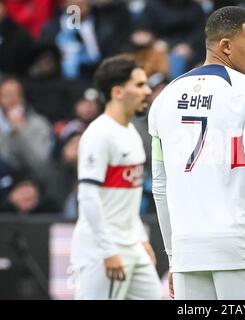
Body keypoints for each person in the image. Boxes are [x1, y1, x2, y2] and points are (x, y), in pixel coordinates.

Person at [148, 6, 245, 300]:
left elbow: (160, 187)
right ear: (226, 46)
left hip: (188, 254)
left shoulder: (164, 98)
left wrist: (173, 257)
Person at [70, 55, 162, 300]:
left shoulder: (131, 132)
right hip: (103, 251)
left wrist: (141, 237)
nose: (148, 91)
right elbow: (88, 196)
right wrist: (107, 250)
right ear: (118, 91)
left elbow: (127, 201)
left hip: (132, 245)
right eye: (140, 85)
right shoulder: (99, 134)